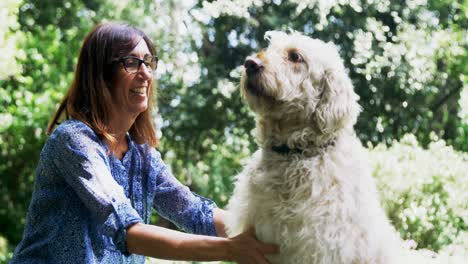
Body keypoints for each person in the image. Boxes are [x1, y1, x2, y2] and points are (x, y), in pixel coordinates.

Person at [10, 22, 279, 264]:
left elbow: (194, 213)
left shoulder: (142, 155)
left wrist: (278, 236)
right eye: (131, 62)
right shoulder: (73, 141)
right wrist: (230, 249)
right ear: (101, 75)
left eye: (148, 62)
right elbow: (128, 231)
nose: (145, 74)